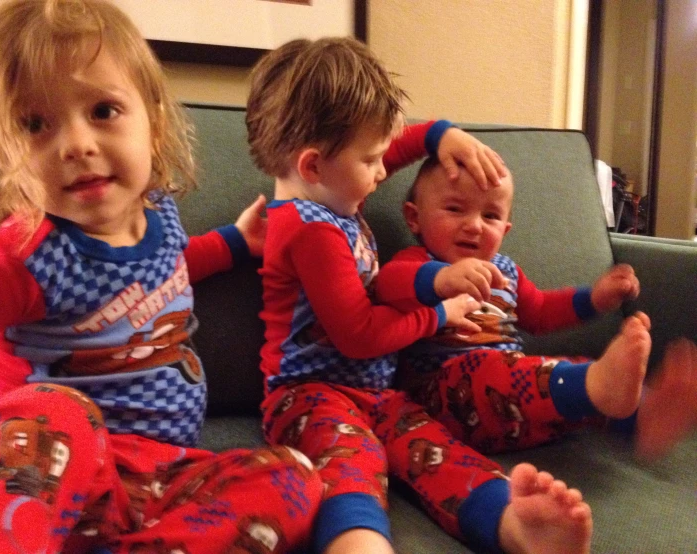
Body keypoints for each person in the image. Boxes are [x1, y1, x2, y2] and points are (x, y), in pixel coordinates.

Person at [0, 1, 323, 552]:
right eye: (34, 124)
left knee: (296, 477)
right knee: (51, 409)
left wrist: (234, 243)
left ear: (152, 121)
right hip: (54, 479)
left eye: (103, 111)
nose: (77, 144)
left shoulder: (159, 215)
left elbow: (165, 272)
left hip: (160, 481)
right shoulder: (20, 254)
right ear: (2, 153)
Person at [246, 36, 592, 554]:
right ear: (314, 165)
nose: (385, 171)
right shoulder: (310, 229)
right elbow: (361, 336)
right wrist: (439, 313)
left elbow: (385, 148)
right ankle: (358, 545)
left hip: (378, 395)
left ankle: (512, 526)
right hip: (308, 397)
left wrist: (438, 135)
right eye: (373, 161)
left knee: (438, 452)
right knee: (351, 462)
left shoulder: (329, 192)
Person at [375, 156, 697, 465]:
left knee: (574, 373)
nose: (474, 226)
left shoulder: (506, 271)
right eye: (455, 209)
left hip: (518, 408)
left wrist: (594, 299)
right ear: (414, 217)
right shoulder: (417, 265)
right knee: (492, 368)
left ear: (505, 229)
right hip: (443, 405)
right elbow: (388, 285)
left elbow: (541, 311)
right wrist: (442, 279)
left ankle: (644, 415)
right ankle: (605, 393)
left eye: (490, 216)